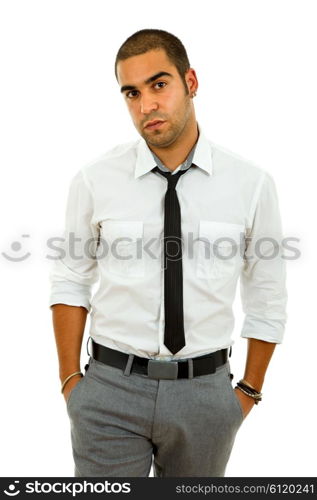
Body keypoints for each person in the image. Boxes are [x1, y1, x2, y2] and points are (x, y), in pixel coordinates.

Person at [49, 28, 288, 477]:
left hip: (206, 395)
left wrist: (247, 394)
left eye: (159, 85)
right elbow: (70, 279)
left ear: (190, 82)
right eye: (131, 93)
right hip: (108, 391)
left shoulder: (251, 184)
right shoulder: (95, 179)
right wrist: (71, 384)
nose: (146, 106)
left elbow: (268, 296)